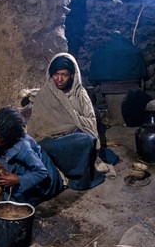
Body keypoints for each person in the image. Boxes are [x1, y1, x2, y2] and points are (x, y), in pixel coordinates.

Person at [26, 53, 105, 190]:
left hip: (74, 138)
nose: (59, 79)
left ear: (72, 76)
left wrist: (72, 121)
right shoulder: (44, 94)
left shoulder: (80, 94)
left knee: (87, 140)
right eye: (56, 74)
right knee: (42, 148)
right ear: (51, 75)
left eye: (64, 75)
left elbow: (90, 122)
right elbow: (35, 128)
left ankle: (75, 175)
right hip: (50, 140)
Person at [0, 106, 64, 206]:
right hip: (20, 164)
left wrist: (18, 180)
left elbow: (41, 173)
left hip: (40, 176)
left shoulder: (24, 148)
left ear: (10, 138)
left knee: (15, 200)